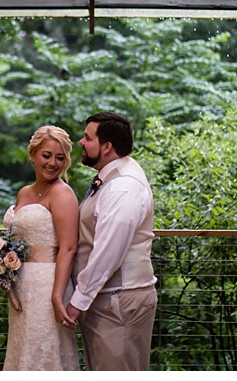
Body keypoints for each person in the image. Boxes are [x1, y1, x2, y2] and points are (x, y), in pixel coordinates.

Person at [66, 112, 157, 370]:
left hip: (119, 302)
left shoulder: (123, 187)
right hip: (109, 300)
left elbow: (108, 252)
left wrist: (78, 301)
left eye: (87, 138)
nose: (81, 142)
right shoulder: (114, 177)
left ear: (107, 147)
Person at [2, 125, 80, 370]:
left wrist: (57, 297)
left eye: (60, 157)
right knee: (22, 349)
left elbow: (68, 247)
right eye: (47, 155)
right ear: (33, 154)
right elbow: (14, 241)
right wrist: (1, 270)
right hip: (21, 284)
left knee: (44, 351)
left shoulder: (63, 194)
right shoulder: (24, 193)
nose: (53, 163)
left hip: (48, 286)